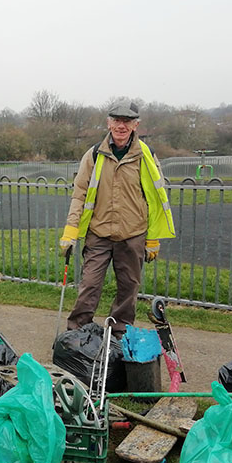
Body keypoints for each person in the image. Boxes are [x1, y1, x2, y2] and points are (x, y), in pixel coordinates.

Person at [59, 100, 175, 338]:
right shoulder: (93, 155)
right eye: (116, 121)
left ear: (136, 125)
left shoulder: (146, 156)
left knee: (129, 288)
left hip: (133, 235)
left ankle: (119, 334)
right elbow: (80, 194)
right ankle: (77, 334)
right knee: (89, 285)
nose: (121, 126)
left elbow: (155, 200)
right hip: (99, 233)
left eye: (127, 121)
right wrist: (71, 229)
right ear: (108, 123)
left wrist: (152, 239)